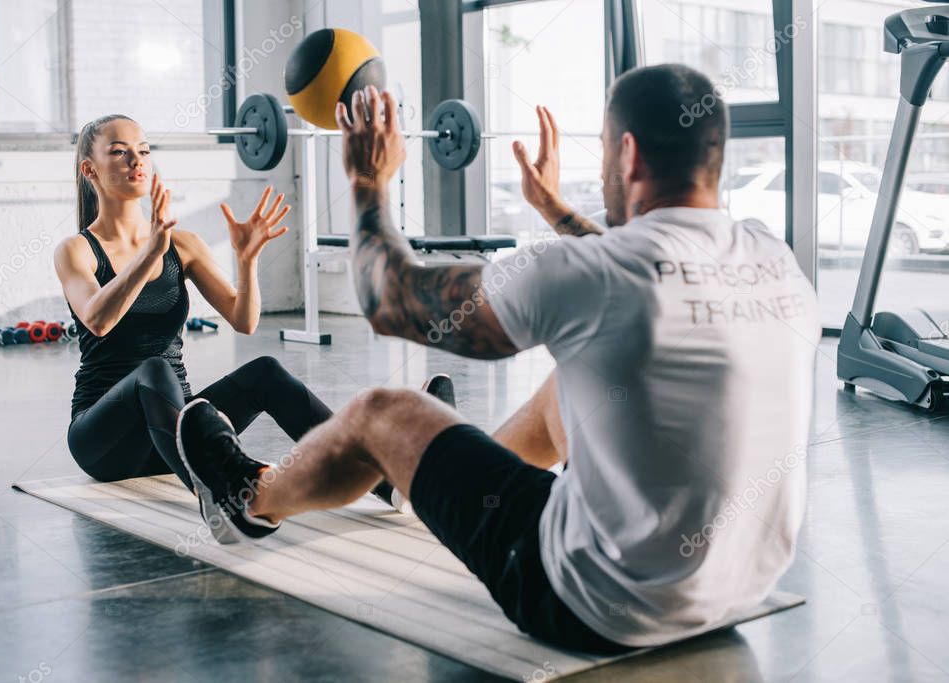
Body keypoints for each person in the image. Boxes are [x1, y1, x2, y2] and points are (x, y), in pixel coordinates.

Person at [175, 64, 821, 651]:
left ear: (626, 154)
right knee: (566, 385)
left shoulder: (586, 275)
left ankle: (246, 498)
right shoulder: (773, 258)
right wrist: (555, 209)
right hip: (734, 595)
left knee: (382, 412)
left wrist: (368, 184)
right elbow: (654, 273)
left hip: (594, 607)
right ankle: (424, 493)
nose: (598, 169)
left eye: (600, 151)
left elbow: (387, 297)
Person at [54, 114, 417, 529]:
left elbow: (243, 320)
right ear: (90, 169)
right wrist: (150, 254)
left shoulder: (181, 244)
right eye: (119, 152)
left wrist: (247, 262)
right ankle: (223, 493)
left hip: (178, 432)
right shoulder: (76, 250)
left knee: (266, 372)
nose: (135, 160)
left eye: (143, 151)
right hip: (106, 442)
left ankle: (384, 480)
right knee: (151, 369)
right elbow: (99, 320)